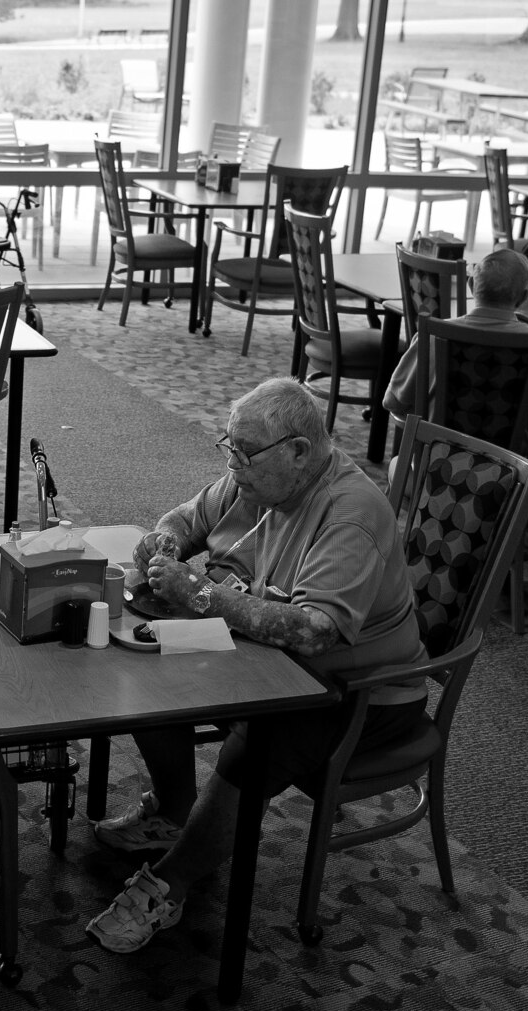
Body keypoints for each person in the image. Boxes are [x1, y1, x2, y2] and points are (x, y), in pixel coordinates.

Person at [85, 378, 431, 954]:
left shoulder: (350, 515)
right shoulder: (261, 480)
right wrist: (163, 544)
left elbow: (313, 632)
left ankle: (171, 883)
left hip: (359, 692)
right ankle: (175, 812)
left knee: (255, 742)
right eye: (229, 450)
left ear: (300, 451)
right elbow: (183, 519)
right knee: (145, 657)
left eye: (244, 454)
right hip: (273, 655)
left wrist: (201, 595)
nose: (234, 466)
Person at [382, 248, 528, 509]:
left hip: (435, 474)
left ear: (469, 285)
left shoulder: (432, 337)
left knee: (401, 462)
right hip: (513, 482)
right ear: (524, 297)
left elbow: (392, 402)